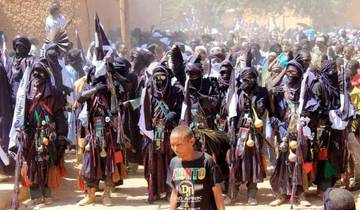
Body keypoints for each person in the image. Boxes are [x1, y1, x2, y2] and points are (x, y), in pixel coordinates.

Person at [17, 59, 68, 206]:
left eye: (41, 72)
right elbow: (21, 117)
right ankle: (35, 196)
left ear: (46, 75)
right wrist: (22, 133)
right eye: (35, 72)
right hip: (31, 136)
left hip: (48, 136)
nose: (37, 75)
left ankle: (47, 194)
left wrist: (61, 136)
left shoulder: (55, 94)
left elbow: (60, 118)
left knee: (47, 164)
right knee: (32, 166)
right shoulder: (25, 94)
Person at [140, 63, 183, 203]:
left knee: (171, 161)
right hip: (154, 134)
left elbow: (181, 107)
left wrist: (174, 114)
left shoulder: (174, 91)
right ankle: (154, 192)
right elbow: (146, 113)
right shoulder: (148, 91)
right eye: (157, 77)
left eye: (163, 77)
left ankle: (171, 192)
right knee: (154, 162)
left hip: (170, 132)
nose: (160, 80)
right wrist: (148, 132)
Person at [167, 125, 225, 210]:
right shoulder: (174, 163)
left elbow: (217, 194)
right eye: (172, 145)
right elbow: (175, 193)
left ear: (192, 141)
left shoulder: (207, 161)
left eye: (179, 145)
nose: (175, 149)